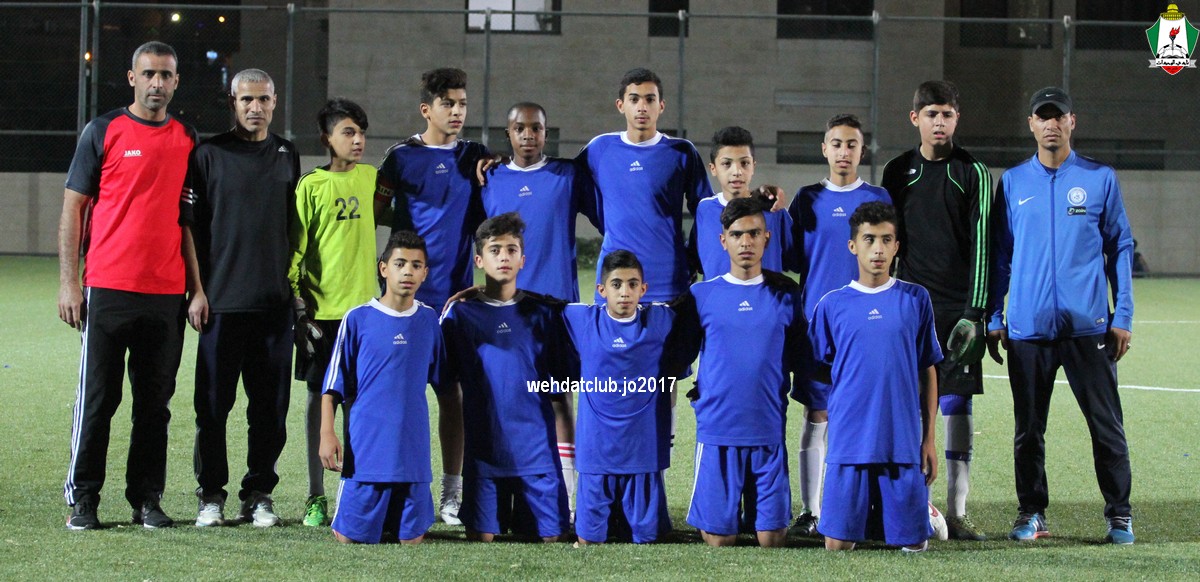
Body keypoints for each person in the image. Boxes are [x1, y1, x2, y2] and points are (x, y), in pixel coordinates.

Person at [59, 41, 200, 530]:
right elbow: (73, 208)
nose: (157, 83)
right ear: (132, 78)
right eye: (149, 74)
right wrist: (69, 283)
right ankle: (83, 498)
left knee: (154, 406)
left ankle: (146, 500)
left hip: (166, 293)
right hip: (107, 286)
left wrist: (195, 287)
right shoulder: (103, 131)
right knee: (99, 400)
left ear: (176, 81)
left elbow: (186, 221)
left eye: (166, 74)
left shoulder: (187, 138)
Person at [986, 87, 1135, 545]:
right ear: (1031, 124)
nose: (1051, 124)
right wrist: (995, 316)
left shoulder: (1099, 178)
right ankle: (1031, 511)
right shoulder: (1013, 182)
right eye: (1042, 117)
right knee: (1028, 430)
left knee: (1106, 426)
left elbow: (1120, 246)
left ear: (1072, 122)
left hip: (1089, 328)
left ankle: (1119, 515)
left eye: (1059, 116)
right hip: (1028, 329)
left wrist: (1123, 313)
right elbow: (999, 256)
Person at [374, 67, 489, 524]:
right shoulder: (400, 157)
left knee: (452, 395)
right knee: (397, 398)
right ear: (427, 109)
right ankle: (391, 486)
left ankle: (451, 494)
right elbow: (375, 212)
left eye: (462, 104)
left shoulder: (475, 155)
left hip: (456, 301)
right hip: (407, 302)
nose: (457, 112)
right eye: (448, 104)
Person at [880, 80, 994, 541]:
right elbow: (887, 239)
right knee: (911, 406)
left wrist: (977, 312)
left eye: (947, 114)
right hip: (910, 305)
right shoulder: (897, 171)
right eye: (931, 114)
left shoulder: (974, 172)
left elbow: (984, 244)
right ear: (916, 119)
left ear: (956, 118)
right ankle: (915, 504)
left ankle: (958, 511)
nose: (939, 122)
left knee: (957, 404)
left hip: (958, 311)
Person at [187, 68, 299, 528]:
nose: (256, 107)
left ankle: (258, 493)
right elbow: (190, 229)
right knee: (212, 408)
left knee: (270, 411)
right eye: (246, 99)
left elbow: (293, 228)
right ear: (232, 102)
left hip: (273, 307)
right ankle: (211, 495)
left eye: (264, 99)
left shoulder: (287, 154)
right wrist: (196, 290)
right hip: (221, 304)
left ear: (274, 102)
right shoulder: (208, 154)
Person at [810, 201, 941, 553]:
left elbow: (927, 369)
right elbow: (818, 370)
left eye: (886, 240)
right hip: (849, 444)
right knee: (837, 545)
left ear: (897, 246)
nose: (878, 249)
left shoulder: (915, 299)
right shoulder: (832, 305)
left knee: (914, 545)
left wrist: (928, 439)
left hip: (902, 442)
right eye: (869, 240)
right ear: (853, 245)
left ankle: (925, 512)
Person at [439, 212, 574, 542]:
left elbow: (563, 386)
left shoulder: (544, 314)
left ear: (522, 260)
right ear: (479, 260)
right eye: (495, 250)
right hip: (485, 455)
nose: (504, 257)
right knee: (482, 538)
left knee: (550, 538)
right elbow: (444, 383)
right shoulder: (460, 315)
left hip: (537, 454)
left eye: (512, 250)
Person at [786, 113, 891, 537]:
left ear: (862, 151)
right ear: (824, 149)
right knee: (817, 413)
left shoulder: (878, 198)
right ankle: (811, 512)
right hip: (817, 328)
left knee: (865, 416)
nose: (843, 151)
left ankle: (860, 509)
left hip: (868, 328)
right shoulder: (807, 199)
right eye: (836, 143)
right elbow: (792, 259)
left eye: (851, 144)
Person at [678, 197, 804, 548]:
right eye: (736, 235)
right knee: (720, 540)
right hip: (719, 431)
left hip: (767, 430)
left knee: (772, 539)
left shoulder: (785, 293)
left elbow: (803, 357)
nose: (745, 242)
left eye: (753, 233)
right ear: (723, 241)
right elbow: (677, 356)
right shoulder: (701, 295)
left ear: (767, 238)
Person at [319, 231, 448, 545]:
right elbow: (332, 387)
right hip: (366, 455)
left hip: (413, 460)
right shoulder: (358, 319)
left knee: (411, 541)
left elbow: (445, 388)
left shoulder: (429, 320)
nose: (408, 272)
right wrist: (327, 434)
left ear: (425, 273)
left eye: (416, 265)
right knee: (348, 538)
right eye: (400, 263)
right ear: (383, 268)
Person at [289, 98, 379, 528]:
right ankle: (315, 495)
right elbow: (296, 250)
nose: (358, 140)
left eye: (361, 133)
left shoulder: (372, 179)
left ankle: (352, 491)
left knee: (357, 404)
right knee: (316, 401)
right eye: (348, 132)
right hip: (321, 316)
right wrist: (298, 307)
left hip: (363, 316)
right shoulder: (311, 185)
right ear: (327, 139)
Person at [563, 250, 680, 545]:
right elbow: (537, 305)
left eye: (632, 284)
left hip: (642, 454)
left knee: (647, 539)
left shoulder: (660, 320)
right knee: (588, 540)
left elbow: (699, 306)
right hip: (596, 453)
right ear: (601, 290)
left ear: (644, 289)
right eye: (616, 284)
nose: (624, 292)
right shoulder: (582, 319)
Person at [576, 67, 711, 304]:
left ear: (661, 106)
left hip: (668, 278)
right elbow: (563, 186)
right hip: (615, 277)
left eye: (650, 99)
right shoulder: (599, 149)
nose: (642, 107)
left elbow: (706, 210)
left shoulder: (681, 152)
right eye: (634, 99)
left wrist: (692, 255)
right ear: (620, 105)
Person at [690, 126, 793, 279]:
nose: (737, 171)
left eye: (744, 163)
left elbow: (794, 258)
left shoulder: (773, 209)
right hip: (719, 295)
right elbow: (696, 259)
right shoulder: (705, 209)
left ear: (753, 167)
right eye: (727, 164)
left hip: (765, 294)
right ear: (713, 168)